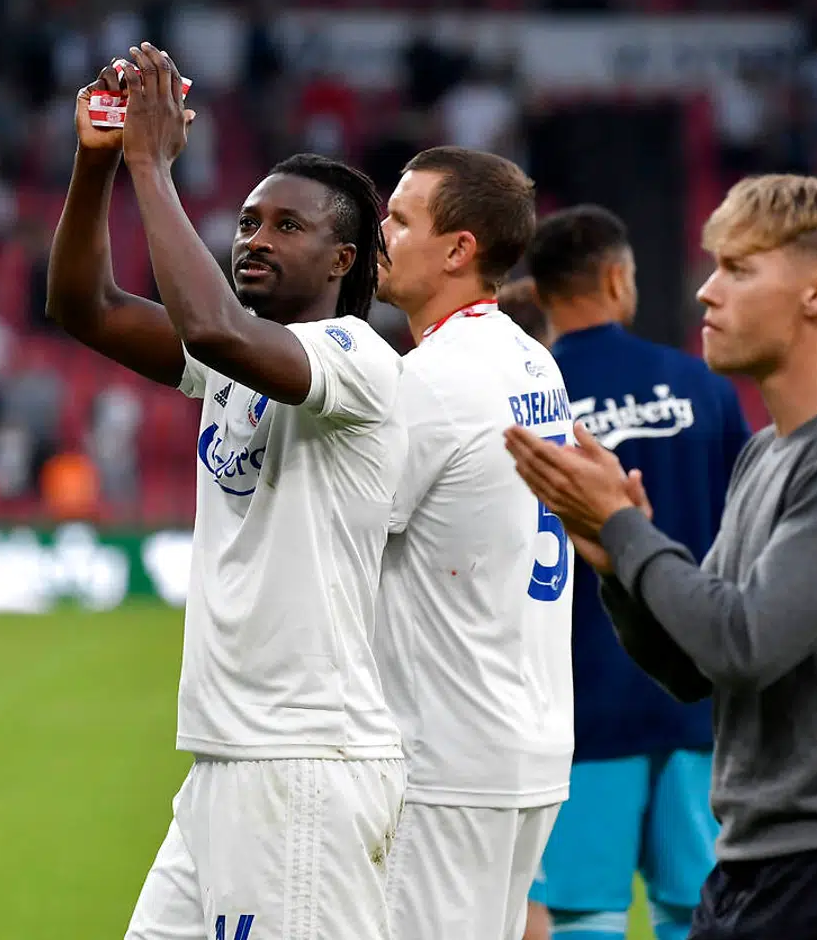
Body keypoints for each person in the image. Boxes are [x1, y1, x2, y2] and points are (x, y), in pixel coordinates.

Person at [505, 174, 817, 940]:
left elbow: (742, 643)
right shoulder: (767, 455)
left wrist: (624, 528)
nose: (707, 294)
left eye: (739, 270)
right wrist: (616, 567)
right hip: (764, 865)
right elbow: (693, 666)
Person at [47, 47, 407, 940]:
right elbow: (84, 306)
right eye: (248, 222)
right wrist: (98, 161)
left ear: (343, 260)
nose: (254, 238)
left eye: (287, 227)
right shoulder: (230, 370)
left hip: (303, 762)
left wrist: (150, 163)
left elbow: (211, 327)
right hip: (225, 758)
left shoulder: (357, 360)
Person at [518, 205, 749, 940]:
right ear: (618, 278)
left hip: (576, 708)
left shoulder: (527, 399)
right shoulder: (702, 386)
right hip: (701, 706)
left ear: (542, 290)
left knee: (584, 914)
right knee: (696, 913)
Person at [372, 146, 574, 940]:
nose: (378, 232)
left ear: (459, 250)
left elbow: (344, 530)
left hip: (447, 756)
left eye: (399, 218)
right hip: (528, 739)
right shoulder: (534, 361)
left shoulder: (432, 380)